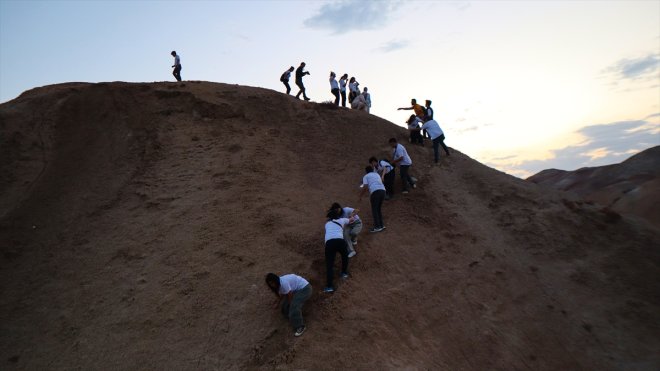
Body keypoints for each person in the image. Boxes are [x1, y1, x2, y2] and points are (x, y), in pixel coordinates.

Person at [265, 273, 312, 337]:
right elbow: (282, 294)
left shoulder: (283, 283)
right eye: (270, 283)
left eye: (272, 283)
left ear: (276, 280)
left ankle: (300, 327)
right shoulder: (279, 285)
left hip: (305, 289)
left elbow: (290, 295)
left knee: (293, 306)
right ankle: (295, 316)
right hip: (296, 290)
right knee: (284, 309)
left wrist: (292, 305)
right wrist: (277, 303)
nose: (272, 285)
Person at [323, 207, 355, 293]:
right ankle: (344, 273)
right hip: (340, 241)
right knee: (345, 256)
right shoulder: (342, 220)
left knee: (329, 265)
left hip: (329, 243)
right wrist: (352, 215)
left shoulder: (327, 224)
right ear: (338, 216)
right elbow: (352, 220)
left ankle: (329, 286)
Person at [359, 166, 386, 232]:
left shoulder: (366, 176)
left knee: (375, 210)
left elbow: (365, 186)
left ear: (366, 171)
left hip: (375, 192)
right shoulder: (377, 174)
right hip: (383, 191)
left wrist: (360, 196)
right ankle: (381, 225)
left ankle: (377, 226)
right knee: (378, 209)